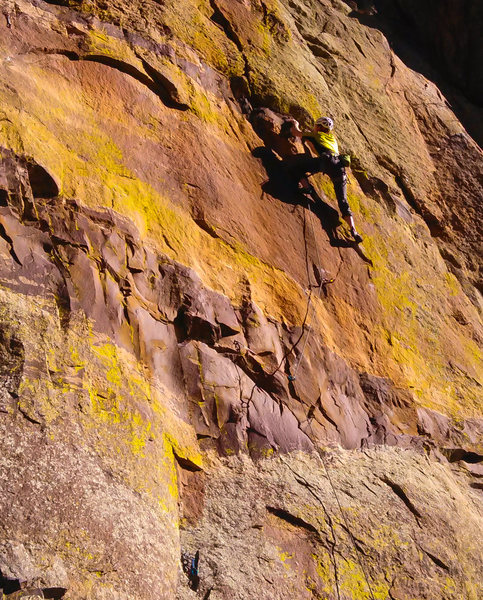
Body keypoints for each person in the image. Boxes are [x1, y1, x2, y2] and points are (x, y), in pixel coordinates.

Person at [289, 116, 363, 243]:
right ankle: (353, 230)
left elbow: (296, 133)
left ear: (318, 127)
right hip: (339, 167)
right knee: (343, 201)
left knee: (297, 169)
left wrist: (295, 123)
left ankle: (307, 189)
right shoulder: (332, 139)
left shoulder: (315, 135)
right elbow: (314, 148)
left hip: (326, 162)